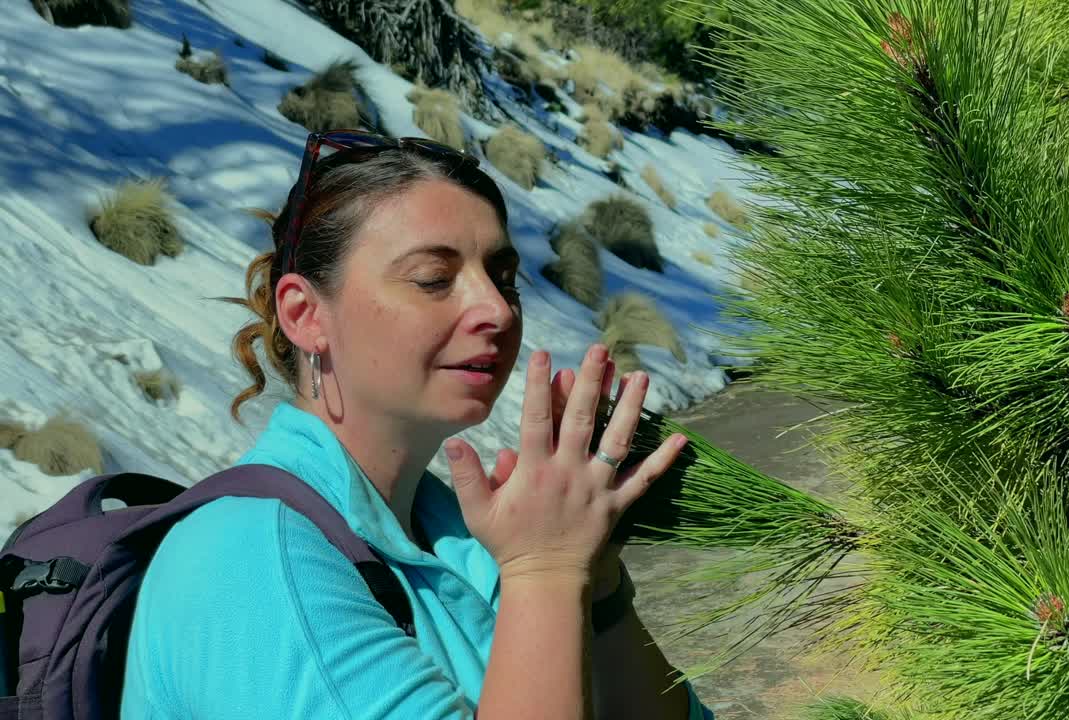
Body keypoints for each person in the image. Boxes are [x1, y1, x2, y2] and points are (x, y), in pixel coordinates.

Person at [120, 131, 712, 720]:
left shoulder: (458, 539)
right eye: (434, 278)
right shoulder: (252, 561)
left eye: (503, 279)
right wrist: (548, 571)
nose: (498, 310)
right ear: (304, 315)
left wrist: (596, 585)